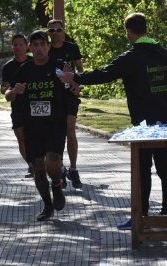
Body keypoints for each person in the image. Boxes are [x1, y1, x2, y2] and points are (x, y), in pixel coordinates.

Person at [59, 12, 167, 229]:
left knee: (142, 169)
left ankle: (141, 216)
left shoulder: (131, 57)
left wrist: (75, 78)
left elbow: (104, 74)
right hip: (166, 124)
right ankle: (165, 213)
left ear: (129, 32)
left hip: (144, 127)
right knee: (166, 168)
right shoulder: (164, 54)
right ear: (146, 28)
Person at [12, 30, 78, 221]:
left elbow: (75, 87)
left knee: (52, 160)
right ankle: (47, 205)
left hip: (54, 124)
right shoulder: (24, 70)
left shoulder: (58, 66)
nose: (39, 48)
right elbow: (9, 94)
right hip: (33, 126)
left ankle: (57, 184)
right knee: (38, 168)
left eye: (43, 44)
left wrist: (72, 84)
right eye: (35, 45)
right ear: (30, 48)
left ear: (48, 47)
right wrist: (15, 91)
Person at [47, 19, 84, 189]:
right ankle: (60, 169)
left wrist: (78, 84)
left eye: (58, 30)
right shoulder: (45, 49)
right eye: (51, 30)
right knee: (56, 132)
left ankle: (74, 169)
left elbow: (80, 69)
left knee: (70, 130)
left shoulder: (72, 47)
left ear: (63, 31)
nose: (55, 33)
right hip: (53, 96)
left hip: (69, 94)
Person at [1, 34, 33, 178]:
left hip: (35, 104)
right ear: (12, 47)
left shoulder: (35, 62)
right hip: (18, 106)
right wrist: (8, 90)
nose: (18, 47)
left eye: (21, 44)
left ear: (27, 46)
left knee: (37, 136)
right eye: (15, 44)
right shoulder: (8, 67)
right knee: (21, 136)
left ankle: (44, 162)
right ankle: (31, 165)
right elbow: (4, 88)